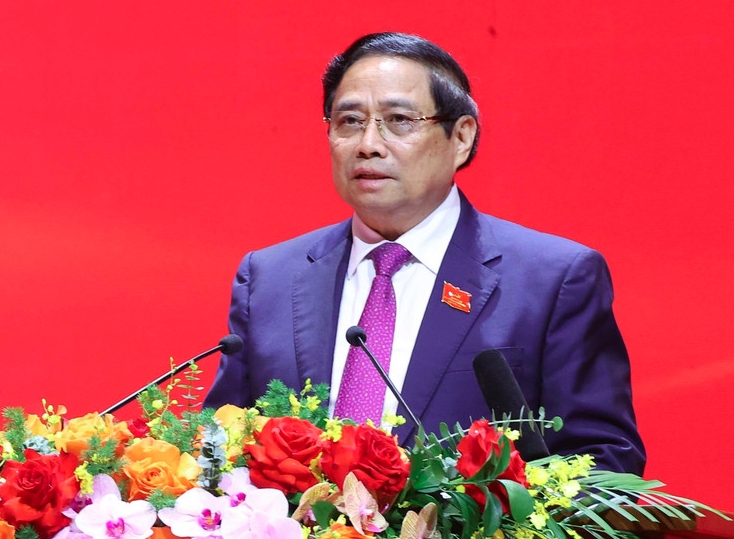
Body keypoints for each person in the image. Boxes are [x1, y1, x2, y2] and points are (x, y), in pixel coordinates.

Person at [204, 32, 646, 475]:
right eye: (349, 121)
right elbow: (218, 450)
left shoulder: (552, 280)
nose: (368, 144)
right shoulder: (269, 279)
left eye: (398, 120)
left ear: (461, 137)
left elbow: (605, 462)